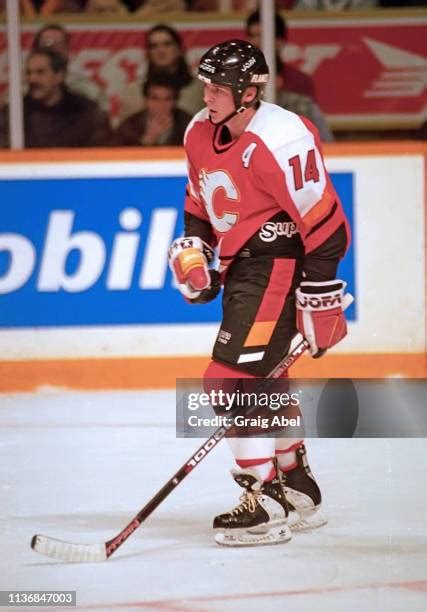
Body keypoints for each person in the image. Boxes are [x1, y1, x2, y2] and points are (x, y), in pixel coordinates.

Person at [168, 40, 351, 546]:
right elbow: (199, 204)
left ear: (249, 92)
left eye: (217, 87)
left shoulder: (282, 137)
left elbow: (327, 226)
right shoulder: (197, 130)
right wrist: (197, 253)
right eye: (205, 84)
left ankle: (263, 499)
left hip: (278, 265)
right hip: (242, 268)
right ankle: (296, 485)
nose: (207, 95)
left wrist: (319, 293)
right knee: (269, 383)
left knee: (226, 383)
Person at [245, 10, 333, 142]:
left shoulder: (300, 83)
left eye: (261, 36)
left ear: (279, 42)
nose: (254, 42)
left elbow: (321, 137)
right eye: (252, 36)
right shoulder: (237, 81)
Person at [0, 48, 112, 148]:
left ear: (59, 76)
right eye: (29, 73)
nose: (32, 79)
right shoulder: (12, 115)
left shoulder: (87, 112)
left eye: (40, 72)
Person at [119, 24, 203, 122]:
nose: (160, 50)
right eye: (154, 46)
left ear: (180, 49)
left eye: (167, 44)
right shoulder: (133, 92)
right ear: (148, 53)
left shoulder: (200, 90)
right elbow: (125, 132)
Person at [32, 23, 108, 112]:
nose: (55, 49)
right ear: (35, 50)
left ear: (68, 50)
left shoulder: (88, 89)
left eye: (61, 44)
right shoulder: (23, 88)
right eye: (48, 44)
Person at [114, 73, 191, 146]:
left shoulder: (190, 124)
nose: (162, 104)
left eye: (168, 99)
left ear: (175, 101)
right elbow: (117, 157)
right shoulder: (129, 127)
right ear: (145, 100)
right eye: (155, 98)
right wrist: (148, 139)